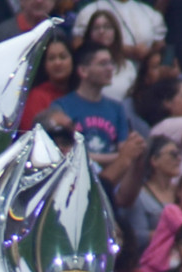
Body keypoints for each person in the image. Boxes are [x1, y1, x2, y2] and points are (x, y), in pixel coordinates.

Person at [51, 44, 131, 178]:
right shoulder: (61, 106)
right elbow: (66, 152)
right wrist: (116, 158)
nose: (110, 68)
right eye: (103, 64)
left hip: (109, 180)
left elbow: (126, 153)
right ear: (83, 70)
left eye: (111, 63)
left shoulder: (117, 108)